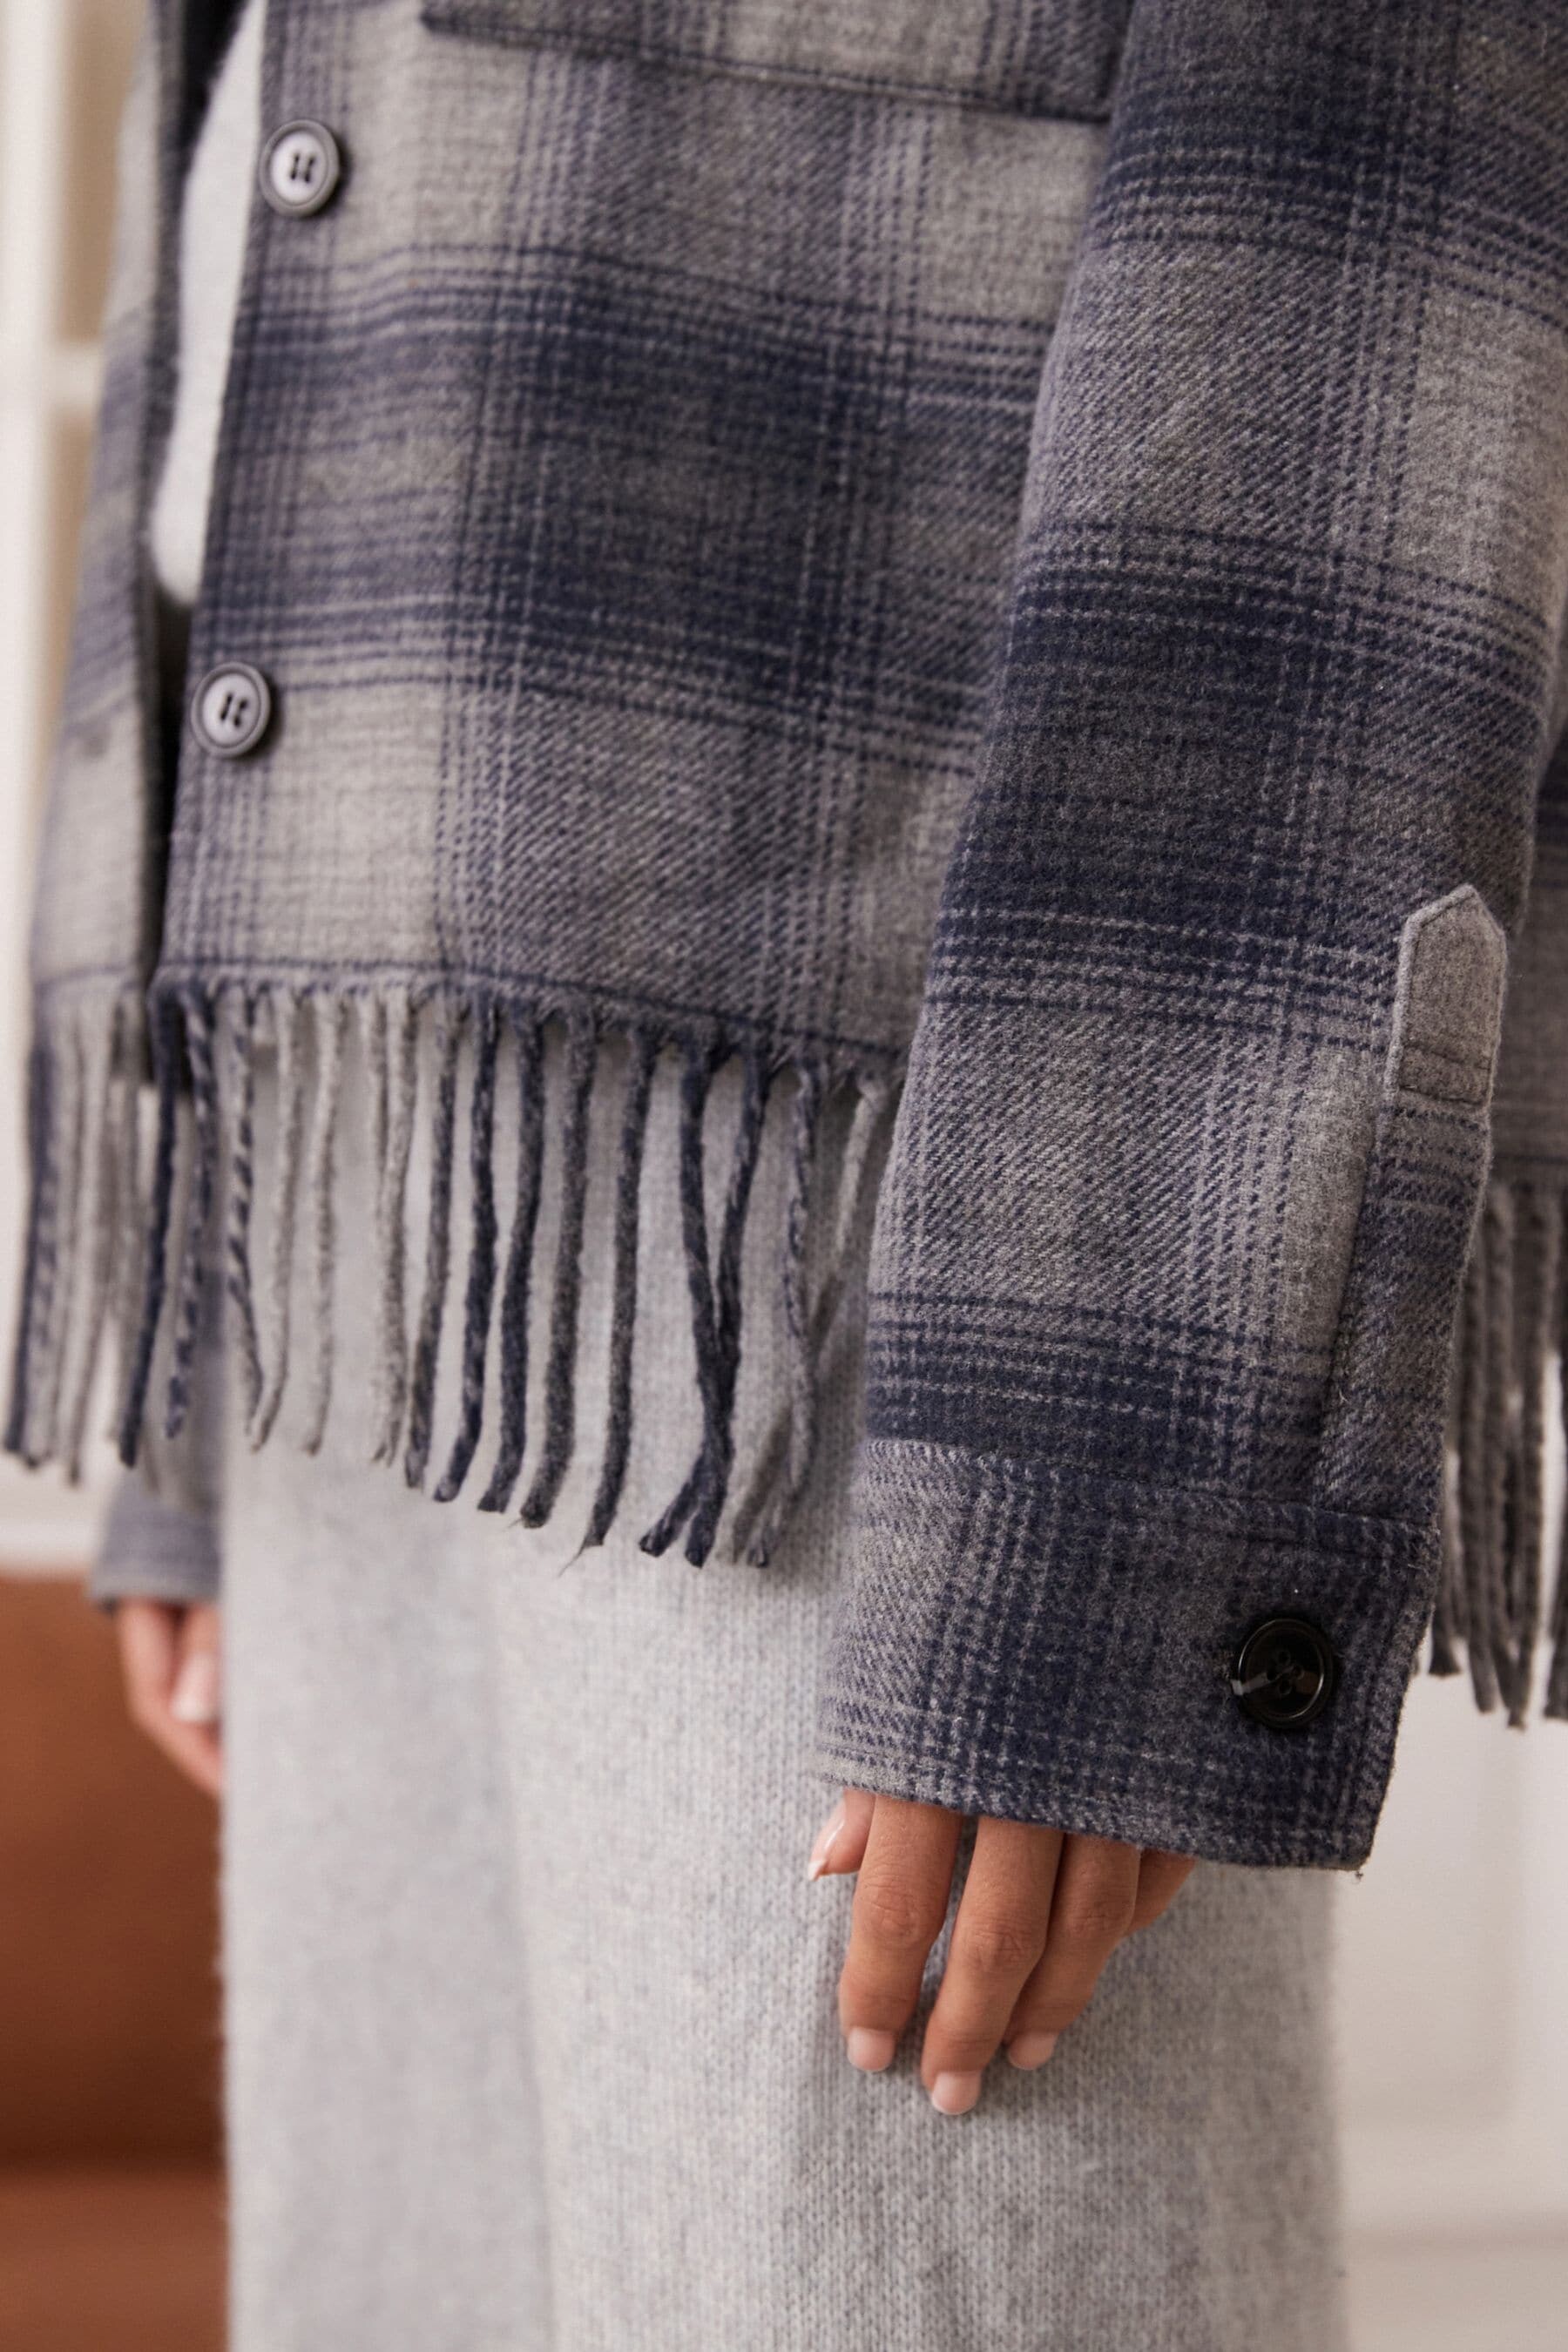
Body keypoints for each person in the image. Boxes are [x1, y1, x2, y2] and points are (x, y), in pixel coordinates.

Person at [12, 3, 1568, 2346]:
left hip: (909, 1211)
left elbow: (1360, 280)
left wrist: (1114, 1492)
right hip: (360, 1129)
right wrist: (207, 1294)